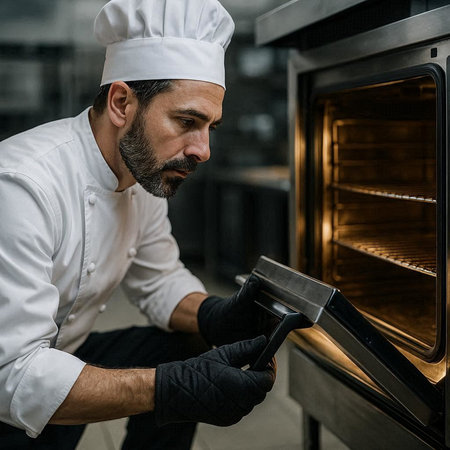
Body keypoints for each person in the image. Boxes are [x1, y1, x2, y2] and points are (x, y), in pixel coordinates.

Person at [0, 0, 276, 449]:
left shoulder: (141, 174)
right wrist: (170, 388)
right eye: (187, 121)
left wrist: (213, 315)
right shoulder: (22, 187)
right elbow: (11, 373)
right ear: (122, 103)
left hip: (56, 356)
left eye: (210, 127)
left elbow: (159, 279)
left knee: (186, 344)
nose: (203, 150)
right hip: (6, 390)